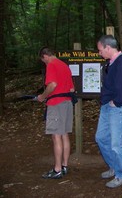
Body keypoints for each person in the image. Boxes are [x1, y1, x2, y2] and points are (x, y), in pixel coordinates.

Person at [96, 34, 122, 188]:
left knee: (117, 142)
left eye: (100, 50)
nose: (99, 53)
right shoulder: (110, 63)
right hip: (107, 106)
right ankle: (115, 166)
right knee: (101, 138)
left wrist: (117, 101)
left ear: (108, 47)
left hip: (117, 107)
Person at [37, 47, 75, 179]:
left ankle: (57, 169)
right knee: (64, 135)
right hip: (67, 103)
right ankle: (64, 166)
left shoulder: (52, 64)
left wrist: (42, 96)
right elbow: (71, 88)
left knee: (56, 136)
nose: (44, 63)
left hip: (56, 104)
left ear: (45, 56)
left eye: (43, 60)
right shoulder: (64, 65)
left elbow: (52, 84)